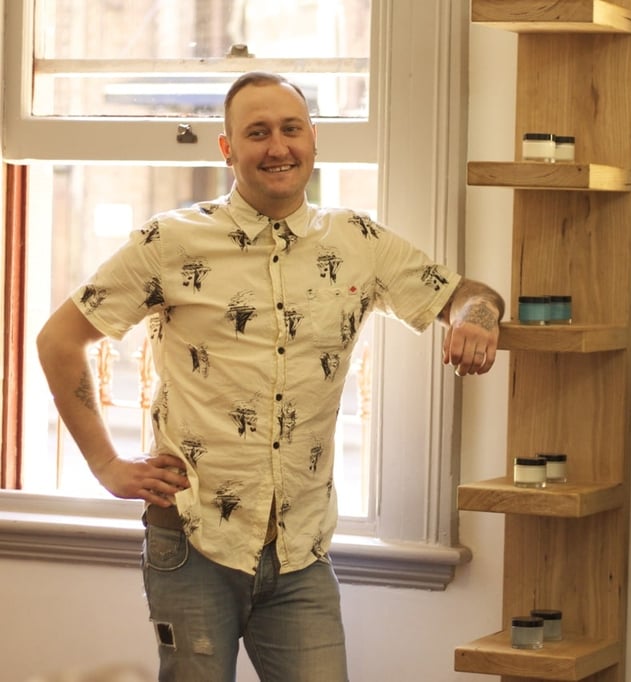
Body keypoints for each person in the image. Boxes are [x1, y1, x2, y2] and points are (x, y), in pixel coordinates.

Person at [36, 71, 505, 682]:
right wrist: (104, 464)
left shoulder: (359, 241)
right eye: (256, 133)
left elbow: (469, 295)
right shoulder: (169, 242)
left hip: (301, 553)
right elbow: (59, 339)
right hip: (192, 538)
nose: (277, 147)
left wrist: (476, 320)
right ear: (228, 149)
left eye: (290, 129)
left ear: (314, 138)